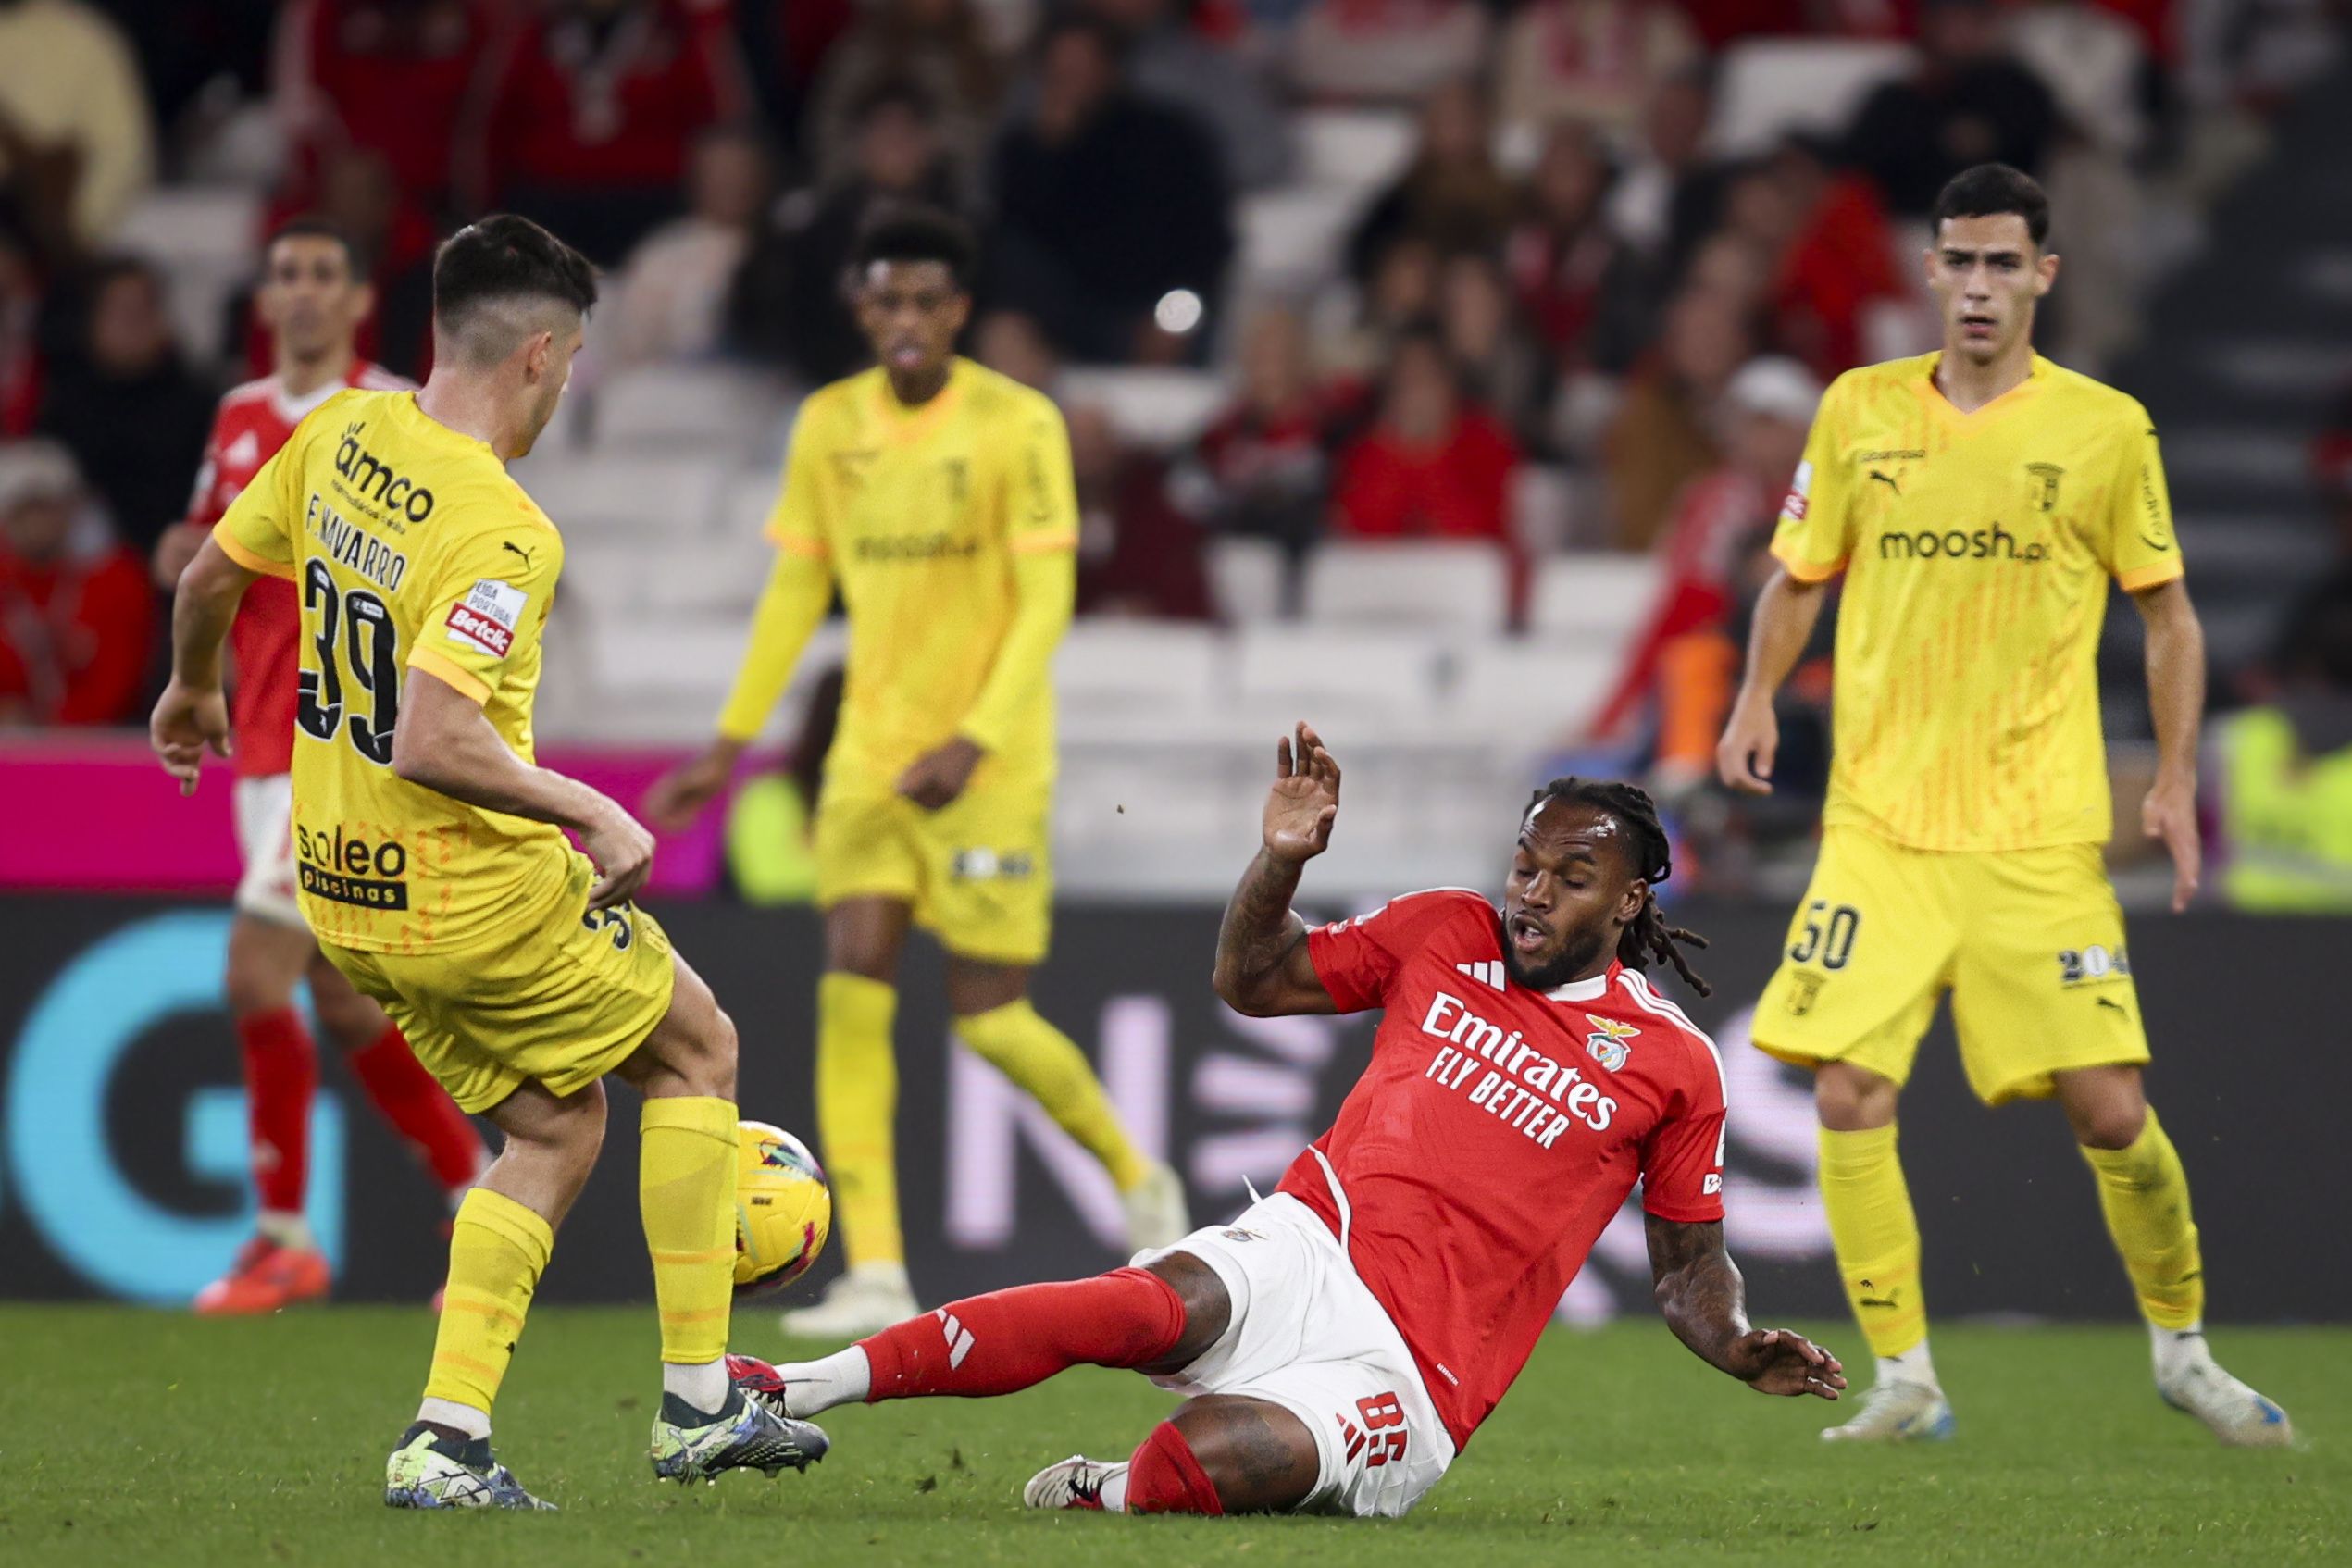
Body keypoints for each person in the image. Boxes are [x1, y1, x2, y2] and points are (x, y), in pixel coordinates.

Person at [730, 728, 1845, 1517]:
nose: (1534, 892)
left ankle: (1104, 1486)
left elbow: (1686, 1267)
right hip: (1309, 1242)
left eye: (1572, 875)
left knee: (1194, 1467)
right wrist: (1280, 860)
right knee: (1134, 1304)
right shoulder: (1444, 931)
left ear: (1631, 900)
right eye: (1525, 865)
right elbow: (1251, 978)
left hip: (1416, 1372)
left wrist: (1738, 1342)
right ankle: (787, 1388)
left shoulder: (1673, 1063)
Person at [151, 214, 828, 1508]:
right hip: (471, 893)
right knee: (699, 1047)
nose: (568, 384)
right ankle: (698, 1405)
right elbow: (435, 733)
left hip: (341, 894)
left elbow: (204, 579)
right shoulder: (504, 531)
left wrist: (189, 694)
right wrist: (593, 808)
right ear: (534, 353)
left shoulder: (337, 434)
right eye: (570, 359)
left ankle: (445, 1438)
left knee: (557, 1123)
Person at [1715, 164, 2292, 1448]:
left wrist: (2182, 779)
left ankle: (2182, 1350)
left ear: (2044, 274)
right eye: (1957, 262)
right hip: (1881, 826)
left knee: (2113, 1113)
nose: (1977, 287)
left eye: (2001, 264)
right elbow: (1797, 577)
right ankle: (1907, 1378)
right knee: (1848, 1090)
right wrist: (1758, 695)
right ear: (1928, 271)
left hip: (2036, 831)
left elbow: (2169, 614)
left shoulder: (2102, 429)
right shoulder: (1857, 411)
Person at [648, 207, 1189, 1338]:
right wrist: (729, 744)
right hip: (868, 760)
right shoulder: (827, 425)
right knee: (853, 986)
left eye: (925, 302)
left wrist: (978, 738)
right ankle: (879, 1268)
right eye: (885, 299)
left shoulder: (1016, 423)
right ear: (861, 305)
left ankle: (1139, 1177)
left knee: (990, 1017)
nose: (904, 320)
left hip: (989, 762)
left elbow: (1047, 599)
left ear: (959, 311)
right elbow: (799, 592)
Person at [150, 218, 489, 1316]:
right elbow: (216, 542)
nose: (300, 292)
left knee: (255, 973)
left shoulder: (387, 414)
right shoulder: (241, 414)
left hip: (337, 736)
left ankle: (284, 1237)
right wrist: (187, 562)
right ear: (265, 296)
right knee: (340, 1000)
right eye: (284, 274)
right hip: (255, 731)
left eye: (322, 276)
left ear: (355, 300)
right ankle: (477, 1192)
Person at [37, 255, 215, 555]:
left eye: (144, 310)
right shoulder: (62, 409)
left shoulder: (202, 405)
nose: (134, 326)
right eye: (121, 313)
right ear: (90, 321)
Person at [0, 437, 150, 724]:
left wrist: (49, 727)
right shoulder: (8, 586)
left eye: (46, 508)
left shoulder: (116, 580)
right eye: (23, 511)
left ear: (72, 509)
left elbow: (119, 684)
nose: (36, 524)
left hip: (96, 745)